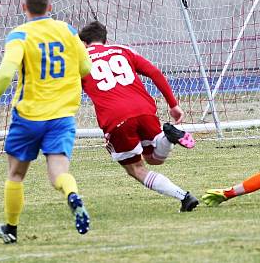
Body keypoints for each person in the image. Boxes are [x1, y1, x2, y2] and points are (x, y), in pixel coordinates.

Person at [0, 0, 92, 244]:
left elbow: (7, 70)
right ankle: (71, 194)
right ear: (50, 7)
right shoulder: (67, 30)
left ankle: (11, 228)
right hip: (62, 116)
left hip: (29, 116)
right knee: (58, 173)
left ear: (24, 8)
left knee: (16, 174)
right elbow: (86, 67)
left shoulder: (19, 35)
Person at [78, 20, 199, 212]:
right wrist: (173, 105)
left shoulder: (79, 58)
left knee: (136, 169)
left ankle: (184, 196)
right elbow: (155, 72)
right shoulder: (123, 50)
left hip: (117, 117)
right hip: (144, 108)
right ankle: (168, 136)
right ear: (105, 39)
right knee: (154, 159)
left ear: (83, 43)